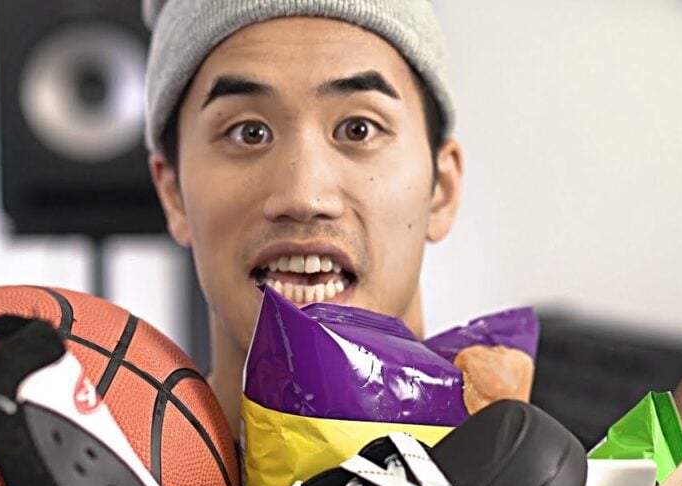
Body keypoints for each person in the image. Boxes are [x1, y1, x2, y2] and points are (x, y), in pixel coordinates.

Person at [141, 0, 464, 437]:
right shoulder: (103, 476)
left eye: (359, 129)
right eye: (249, 133)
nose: (304, 197)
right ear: (173, 194)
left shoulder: (554, 470)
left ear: (441, 189)